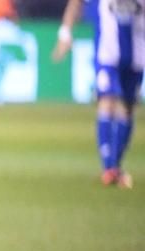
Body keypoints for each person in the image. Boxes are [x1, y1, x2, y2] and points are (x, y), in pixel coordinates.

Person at [53, 0, 144, 187]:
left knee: (127, 109)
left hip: (137, 55)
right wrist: (65, 33)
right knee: (107, 100)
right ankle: (109, 168)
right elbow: (76, 3)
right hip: (107, 54)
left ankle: (114, 167)